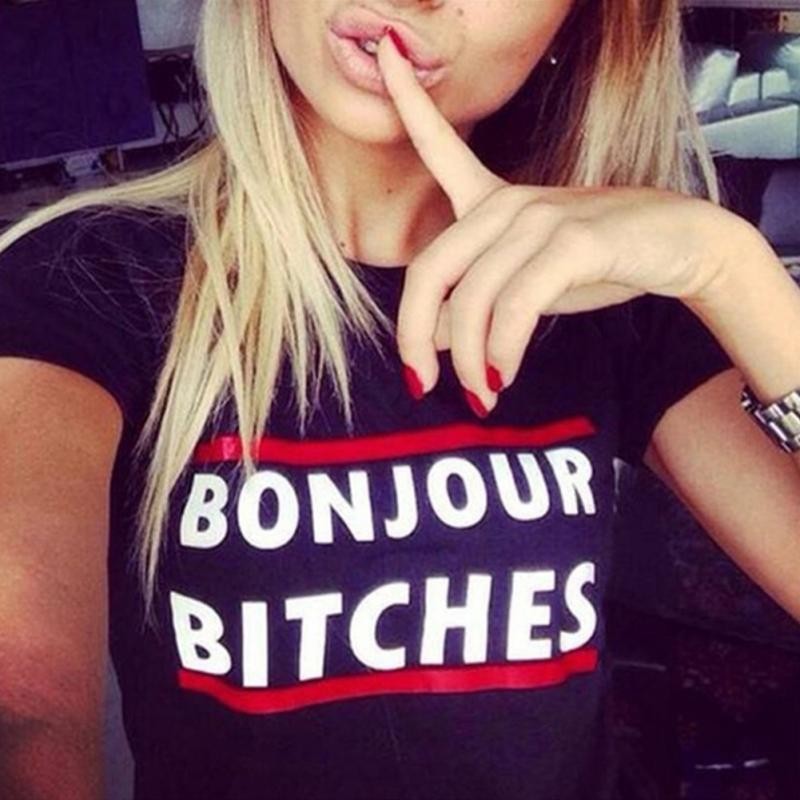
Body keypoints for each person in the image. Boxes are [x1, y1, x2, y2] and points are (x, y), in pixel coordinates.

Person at [0, 1, 798, 798]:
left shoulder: (606, 292)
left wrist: (727, 267)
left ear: (574, 28)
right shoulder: (83, 279)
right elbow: (23, 701)